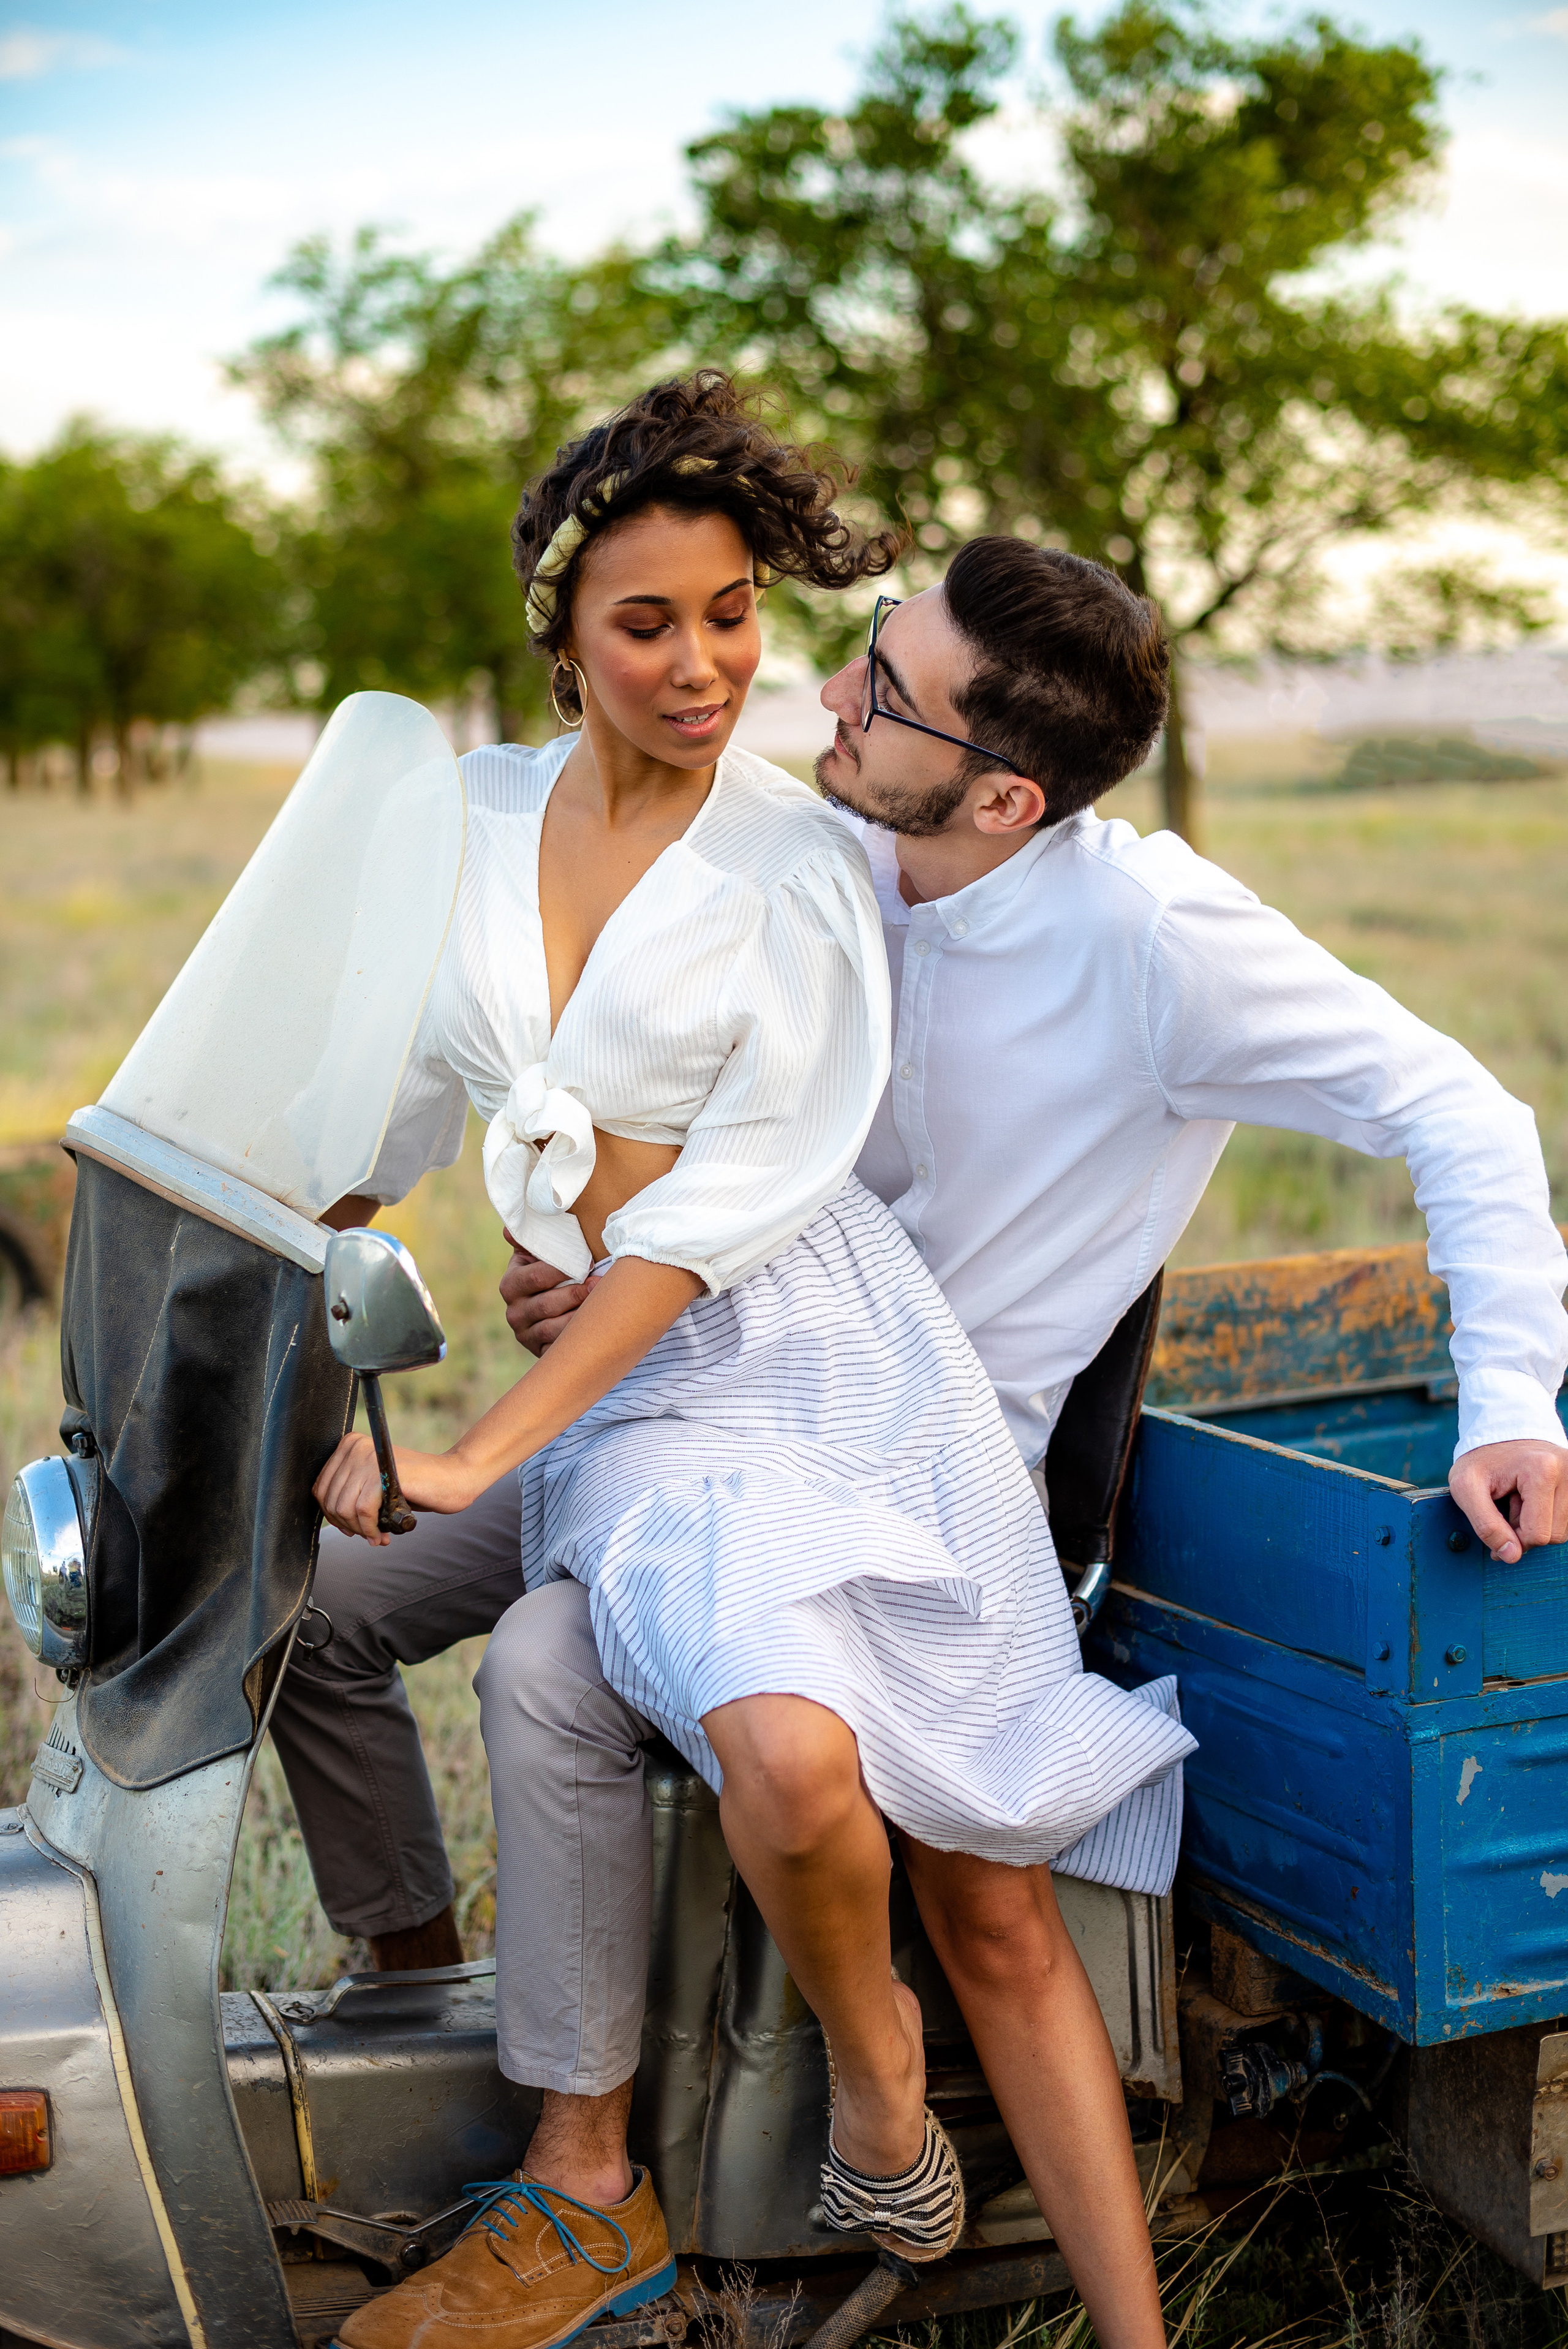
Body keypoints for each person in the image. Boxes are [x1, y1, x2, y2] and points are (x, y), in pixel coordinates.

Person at [303, 376, 1194, 2349]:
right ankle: (416, 2007)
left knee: (812, 1762)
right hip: (612, 1390)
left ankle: (862, 2097)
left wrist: (485, 1441)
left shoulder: (800, 870)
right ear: (558, 632)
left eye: (732, 614)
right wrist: (319, 1282)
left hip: (795, 1369)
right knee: (306, 1609)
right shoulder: (452, 825)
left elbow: (716, 1225)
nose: (705, 663)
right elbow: (369, 1121)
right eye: (647, 623)